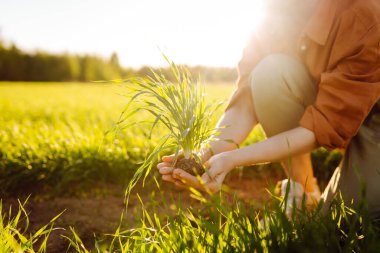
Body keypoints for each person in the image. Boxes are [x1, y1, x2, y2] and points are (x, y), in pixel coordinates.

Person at [157, 0, 380, 219]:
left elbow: (326, 126)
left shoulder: (365, 14)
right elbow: (247, 102)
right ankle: (305, 191)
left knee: (352, 219)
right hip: (329, 100)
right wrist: (208, 153)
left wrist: (234, 159)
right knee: (269, 75)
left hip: (374, 118)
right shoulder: (272, 12)